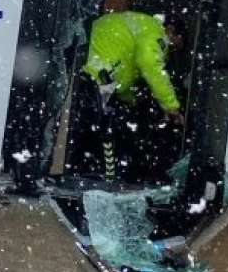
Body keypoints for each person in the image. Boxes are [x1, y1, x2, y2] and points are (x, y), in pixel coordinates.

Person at [71, 11, 185, 183]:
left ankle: (84, 171)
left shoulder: (143, 26)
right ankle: (101, 179)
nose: (171, 51)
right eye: (174, 46)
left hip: (98, 74)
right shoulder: (156, 32)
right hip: (97, 74)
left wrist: (130, 100)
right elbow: (150, 64)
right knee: (103, 131)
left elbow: (126, 72)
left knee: (92, 128)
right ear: (171, 30)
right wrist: (171, 106)